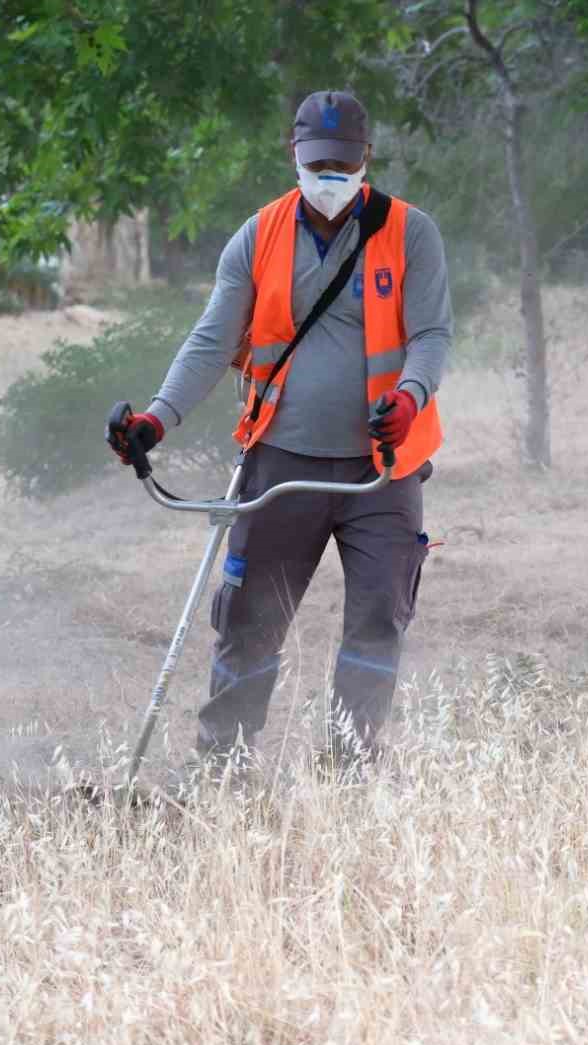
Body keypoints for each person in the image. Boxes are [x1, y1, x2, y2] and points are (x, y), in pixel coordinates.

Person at [107, 89, 451, 780]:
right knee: (249, 623)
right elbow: (211, 342)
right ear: (293, 156)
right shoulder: (257, 236)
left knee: (379, 619)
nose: (331, 179)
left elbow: (430, 334)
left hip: (381, 471)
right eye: (318, 164)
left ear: (366, 160)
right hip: (280, 467)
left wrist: (410, 399)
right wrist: (156, 418)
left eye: (343, 166)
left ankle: (350, 772)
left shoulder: (410, 232)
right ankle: (222, 772)